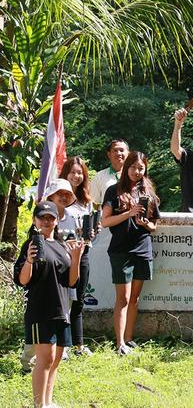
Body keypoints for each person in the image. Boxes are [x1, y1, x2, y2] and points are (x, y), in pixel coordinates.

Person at [13, 201, 83, 408]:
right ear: (35, 220)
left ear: (57, 220)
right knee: (45, 359)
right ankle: (39, 405)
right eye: (42, 217)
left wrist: (76, 257)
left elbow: (71, 282)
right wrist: (29, 261)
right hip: (40, 310)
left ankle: (48, 402)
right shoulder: (32, 244)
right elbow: (22, 281)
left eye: (50, 217)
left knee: (56, 359)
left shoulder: (62, 245)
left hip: (62, 310)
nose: (46, 221)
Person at [101, 151, 160, 355]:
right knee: (123, 298)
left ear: (145, 169)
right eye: (133, 167)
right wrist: (128, 213)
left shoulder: (148, 193)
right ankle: (119, 344)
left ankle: (129, 338)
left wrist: (146, 224)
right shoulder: (113, 191)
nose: (137, 171)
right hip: (121, 250)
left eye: (141, 168)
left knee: (135, 298)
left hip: (143, 248)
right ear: (126, 168)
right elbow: (104, 221)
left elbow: (154, 225)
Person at [59, 157, 95, 356]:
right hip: (62, 255)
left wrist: (92, 232)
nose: (76, 176)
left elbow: (87, 233)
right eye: (72, 172)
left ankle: (78, 345)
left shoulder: (86, 201)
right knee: (64, 300)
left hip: (83, 254)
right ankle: (62, 346)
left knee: (79, 300)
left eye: (80, 172)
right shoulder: (57, 198)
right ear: (65, 173)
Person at [90, 139, 129, 206]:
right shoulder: (99, 176)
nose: (119, 153)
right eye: (115, 150)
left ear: (128, 154)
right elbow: (94, 203)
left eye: (122, 150)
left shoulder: (134, 176)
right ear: (109, 154)